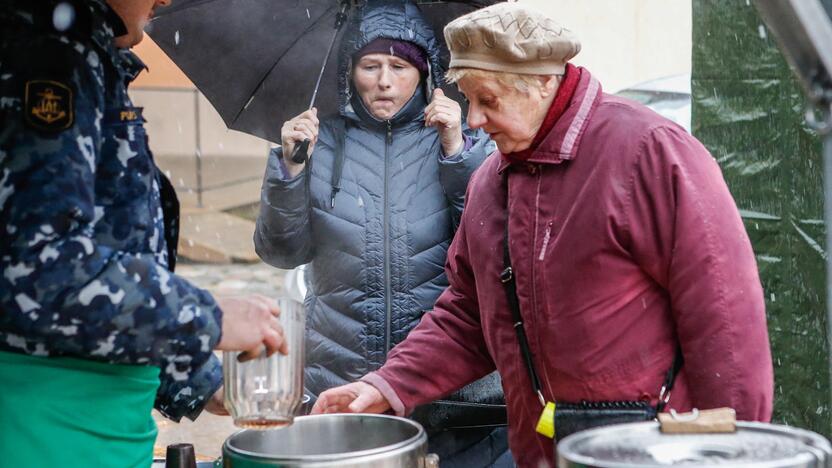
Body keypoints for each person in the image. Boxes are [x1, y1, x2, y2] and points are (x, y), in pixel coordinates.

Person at [310, 3, 775, 467]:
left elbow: (725, 322)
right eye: (468, 100)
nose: (473, 120)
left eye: (488, 100)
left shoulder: (648, 153)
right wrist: (387, 384)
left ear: (543, 84)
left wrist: (732, 451)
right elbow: (470, 313)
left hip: (652, 451)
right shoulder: (489, 183)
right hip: (540, 450)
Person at [0, 1, 287, 466]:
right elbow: (42, 268)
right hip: (43, 426)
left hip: (101, 428)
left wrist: (198, 380)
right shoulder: (49, 51)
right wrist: (207, 318)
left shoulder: (87, 52)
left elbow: (104, 265)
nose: (166, 1)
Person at [254, 0, 510, 465]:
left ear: (426, 71)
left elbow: (491, 245)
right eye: (370, 65)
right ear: (349, 71)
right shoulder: (318, 140)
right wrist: (290, 170)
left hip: (446, 385)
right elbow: (281, 251)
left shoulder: (467, 138)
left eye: (399, 66)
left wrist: (457, 152)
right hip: (339, 377)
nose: (384, 81)